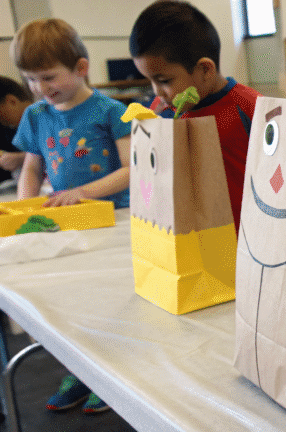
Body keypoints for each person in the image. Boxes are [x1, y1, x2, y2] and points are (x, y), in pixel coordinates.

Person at [10, 18, 132, 413]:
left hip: (114, 222)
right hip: (65, 225)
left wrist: (84, 192)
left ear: (81, 68)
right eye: (30, 79)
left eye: (47, 77)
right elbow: (32, 168)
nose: (39, 88)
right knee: (72, 304)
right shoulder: (35, 115)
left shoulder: (111, 110)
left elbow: (131, 168)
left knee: (113, 300)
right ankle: (79, 370)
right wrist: (25, 209)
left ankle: (111, 372)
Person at [129, 0, 261, 231]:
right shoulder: (162, 112)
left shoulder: (251, 107)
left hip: (248, 236)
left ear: (205, 70)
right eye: (150, 81)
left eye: (164, 80)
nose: (157, 92)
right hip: (194, 235)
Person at [0, 76, 33, 184]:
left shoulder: (45, 118)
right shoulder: (9, 128)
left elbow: (61, 150)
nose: (2, 122)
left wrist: (22, 158)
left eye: (1, 117)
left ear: (12, 101)